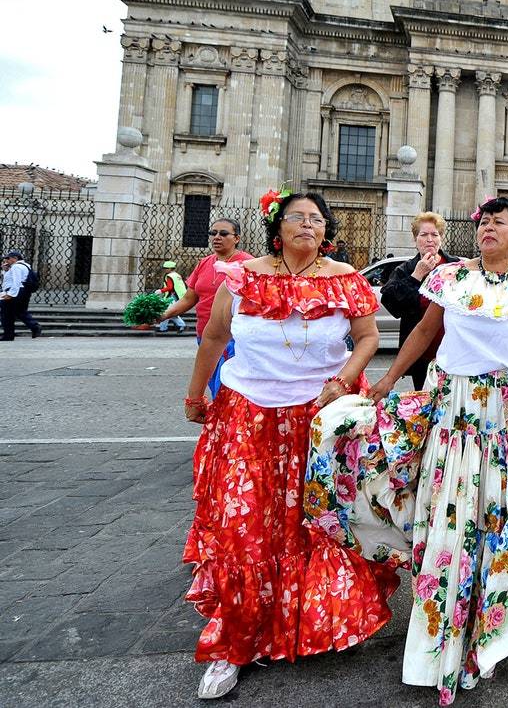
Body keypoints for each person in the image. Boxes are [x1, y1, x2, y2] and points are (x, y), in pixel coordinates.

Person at [306, 196, 508, 706]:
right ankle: (442, 636)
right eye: (484, 222)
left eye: (499, 223)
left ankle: (489, 630)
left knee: (501, 517)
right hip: (454, 411)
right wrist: (384, 383)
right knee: (452, 519)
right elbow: (427, 331)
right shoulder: (450, 280)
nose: (488, 229)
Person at [181, 190, 396, 699]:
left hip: (319, 420)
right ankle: (234, 641)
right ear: (276, 226)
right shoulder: (242, 276)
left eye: (316, 219)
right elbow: (214, 339)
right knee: (246, 527)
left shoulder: (345, 280)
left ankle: (316, 620)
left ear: (327, 231)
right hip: (247, 416)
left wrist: (343, 381)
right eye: (297, 216)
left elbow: (367, 338)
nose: (307, 224)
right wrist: (195, 393)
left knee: (316, 521)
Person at [158, 219, 254, 398]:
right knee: (214, 388)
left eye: (223, 233)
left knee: (226, 393)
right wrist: (162, 315)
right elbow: (188, 299)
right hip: (205, 337)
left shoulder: (249, 264)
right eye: (213, 233)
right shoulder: (204, 263)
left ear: (237, 238)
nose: (217, 237)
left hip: (232, 339)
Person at [379, 212, 458, 390]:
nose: (429, 239)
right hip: (421, 355)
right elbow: (393, 305)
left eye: (434, 234)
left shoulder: (455, 266)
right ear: (415, 239)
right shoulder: (405, 269)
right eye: (424, 235)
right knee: (425, 405)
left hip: (454, 351)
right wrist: (417, 275)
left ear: (441, 238)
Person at [0, 251, 41, 340]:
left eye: (8, 258)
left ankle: (8, 335)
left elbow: (16, 282)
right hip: (24, 291)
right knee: (20, 311)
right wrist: (6, 270)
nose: (6, 261)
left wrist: (10, 294)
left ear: (15, 258)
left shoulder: (16, 267)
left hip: (15, 291)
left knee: (6, 313)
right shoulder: (26, 266)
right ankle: (34, 326)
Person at [154, 260, 188, 334]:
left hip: (172, 296)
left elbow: (170, 287)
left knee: (167, 312)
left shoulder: (169, 276)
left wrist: (160, 291)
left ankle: (180, 325)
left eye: (166, 268)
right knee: (169, 312)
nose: (165, 270)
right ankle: (164, 328)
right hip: (179, 295)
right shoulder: (177, 275)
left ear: (170, 268)